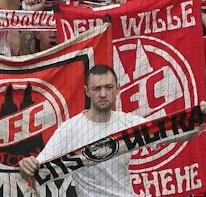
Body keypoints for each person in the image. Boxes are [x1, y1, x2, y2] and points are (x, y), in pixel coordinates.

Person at [16, 65, 146, 197]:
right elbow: (31, 171)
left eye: (109, 87)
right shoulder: (70, 129)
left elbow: (160, 131)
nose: (103, 94)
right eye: (96, 88)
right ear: (87, 91)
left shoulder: (130, 123)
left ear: (118, 88)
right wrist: (25, 166)